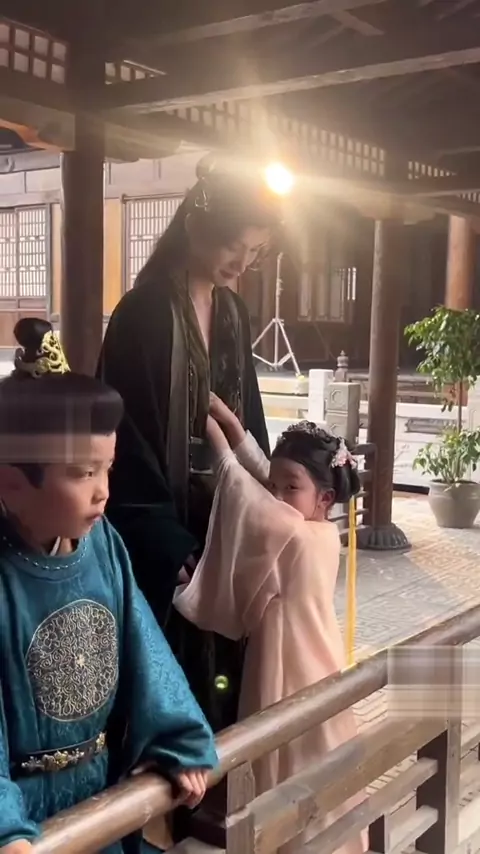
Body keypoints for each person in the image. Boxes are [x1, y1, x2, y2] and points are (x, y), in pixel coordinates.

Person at [0, 319, 217, 854]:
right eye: (82, 473)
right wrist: (7, 829)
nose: (103, 493)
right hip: (22, 813)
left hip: (101, 795)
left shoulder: (103, 542)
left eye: (107, 469)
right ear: (11, 482)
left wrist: (175, 739)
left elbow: (143, 645)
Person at [97, 157, 279, 731]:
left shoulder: (234, 313)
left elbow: (248, 416)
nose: (242, 265)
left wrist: (272, 496)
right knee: (167, 683)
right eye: (236, 247)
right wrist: (167, 544)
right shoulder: (144, 314)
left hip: (223, 527)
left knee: (229, 680)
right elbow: (125, 441)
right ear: (197, 225)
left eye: (255, 253)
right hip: (169, 539)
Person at [175, 397, 366, 854]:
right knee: (310, 760)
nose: (277, 495)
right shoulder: (320, 529)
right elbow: (266, 479)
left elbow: (248, 497)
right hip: (314, 658)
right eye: (275, 487)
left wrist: (220, 446)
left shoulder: (295, 535)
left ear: (325, 498)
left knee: (290, 760)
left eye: (290, 487)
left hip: (289, 669)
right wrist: (232, 423)